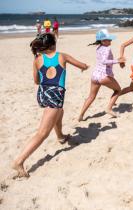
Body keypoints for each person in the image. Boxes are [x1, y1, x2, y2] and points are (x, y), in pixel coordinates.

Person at [12, 33, 89, 178]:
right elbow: (81, 65)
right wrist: (85, 66)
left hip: (43, 94)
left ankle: (60, 136)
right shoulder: (62, 56)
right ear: (53, 44)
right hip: (55, 96)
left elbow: (36, 81)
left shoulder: (37, 60)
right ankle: (19, 161)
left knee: (60, 112)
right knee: (42, 133)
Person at [78, 29, 125, 121]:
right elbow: (104, 61)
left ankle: (81, 115)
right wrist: (117, 61)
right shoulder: (107, 49)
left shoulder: (98, 47)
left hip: (95, 75)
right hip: (104, 76)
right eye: (108, 39)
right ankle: (109, 108)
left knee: (91, 96)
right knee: (118, 90)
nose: (111, 41)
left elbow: (102, 60)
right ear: (103, 41)